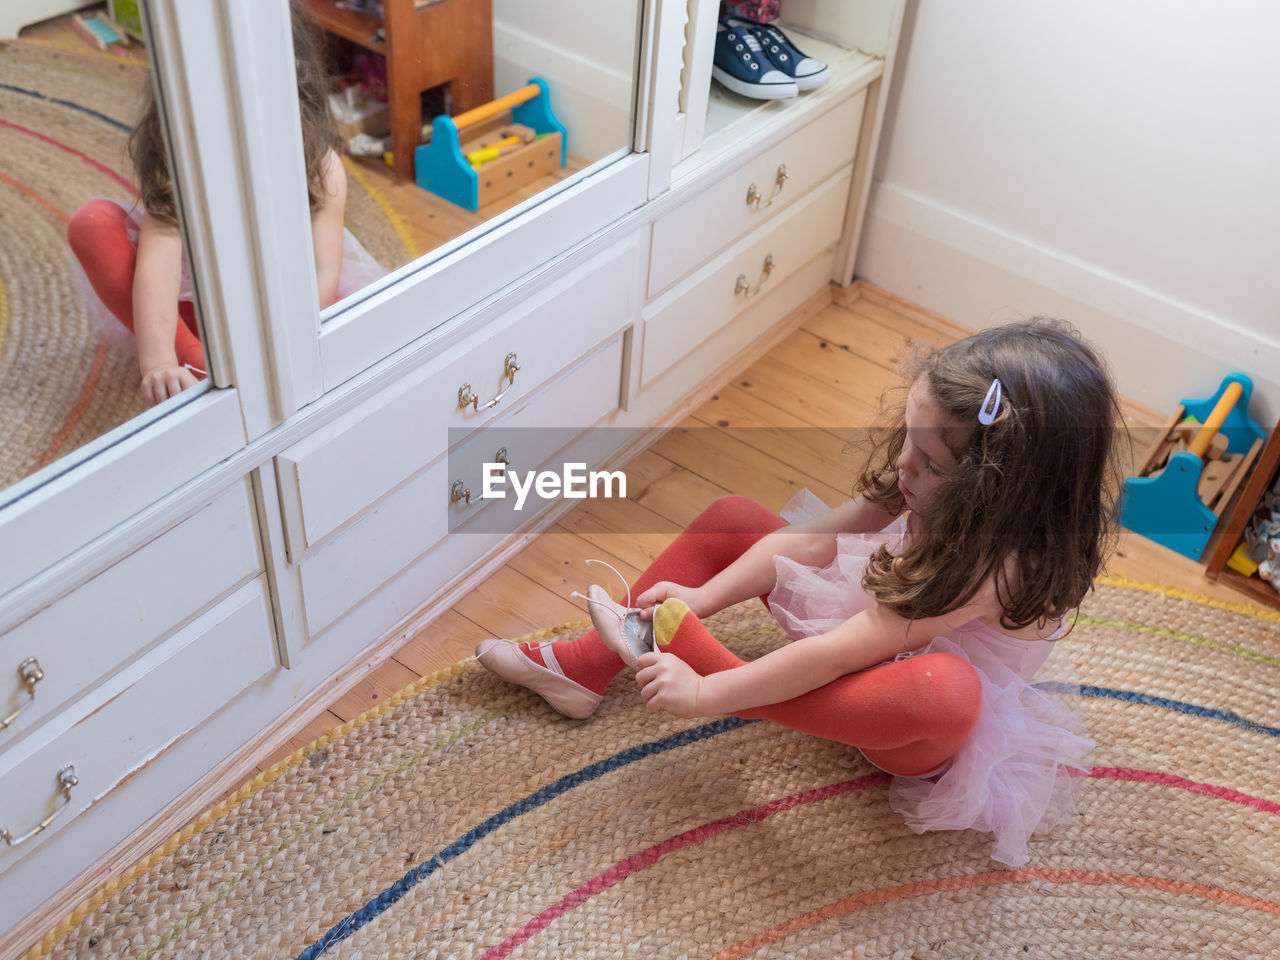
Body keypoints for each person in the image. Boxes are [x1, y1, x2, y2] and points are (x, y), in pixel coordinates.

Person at [477, 318, 1122, 866]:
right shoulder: (920, 476)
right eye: (908, 439)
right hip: (872, 628)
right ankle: (587, 668)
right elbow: (815, 541)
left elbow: (842, 653)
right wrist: (706, 596)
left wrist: (708, 691)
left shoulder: (997, 568)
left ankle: (711, 667)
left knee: (951, 693)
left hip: (899, 718)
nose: (904, 466)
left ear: (999, 493)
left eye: (929, 463)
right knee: (736, 517)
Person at [66, 0, 384, 406]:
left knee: (358, 333)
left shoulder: (319, 166)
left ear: (294, 73)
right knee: (92, 224)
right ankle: (196, 363)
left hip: (286, 307)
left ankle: (226, 364)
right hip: (194, 308)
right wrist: (158, 362)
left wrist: (282, 343)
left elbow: (323, 274)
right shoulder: (181, 158)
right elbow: (158, 267)